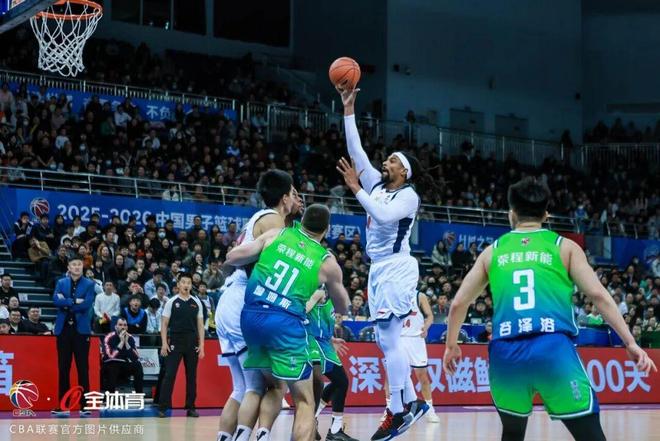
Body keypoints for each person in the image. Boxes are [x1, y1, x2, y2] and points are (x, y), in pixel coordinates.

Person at [442, 177, 657, 441]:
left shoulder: (492, 252)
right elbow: (598, 295)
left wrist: (451, 346)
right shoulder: (564, 247)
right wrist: (630, 342)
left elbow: (458, 304)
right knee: (590, 435)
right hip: (552, 350)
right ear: (546, 214)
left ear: (511, 213)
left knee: (512, 433)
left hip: (505, 354)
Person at [336, 86, 429, 440]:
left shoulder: (408, 196)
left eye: (391, 160)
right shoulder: (376, 184)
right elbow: (356, 150)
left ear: (403, 171)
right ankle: (411, 402)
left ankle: (397, 408)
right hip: (378, 268)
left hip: (397, 267)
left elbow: (383, 216)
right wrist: (348, 109)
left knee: (390, 340)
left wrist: (355, 188)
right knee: (385, 341)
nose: (384, 163)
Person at [226, 203, 350, 441]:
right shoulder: (326, 261)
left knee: (265, 387)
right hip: (284, 323)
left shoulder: (277, 233)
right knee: (305, 400)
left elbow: (233, 257)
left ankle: (250, 434)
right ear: (326, 229)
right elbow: (343, 306)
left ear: (301, 222)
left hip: (250, 318)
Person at [215, 169, 296, 441]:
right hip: (243, 302)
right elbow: (268, 270)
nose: (296, 198)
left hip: (229, 301)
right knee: (270, 386)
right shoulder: (274, 220)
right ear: (284, 197)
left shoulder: (259, 218)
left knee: (242, 388)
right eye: (293, 193)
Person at [307, 288, 358, 441]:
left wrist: (332, 339)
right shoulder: (317, 292)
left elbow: (320, 321)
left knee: (339, 382)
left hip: (326, 344)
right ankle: (333, 429)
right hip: (315, 343)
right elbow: (302, 311)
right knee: (340, 381)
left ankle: (314, 420)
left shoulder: (329, 298)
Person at [382, 292, 439, 423]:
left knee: (422, 376)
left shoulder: (419, 296)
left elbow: (430, 315)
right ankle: (389, 410)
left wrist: (426, 327)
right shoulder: (393, 294)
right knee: (390, 376)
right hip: (398, 338)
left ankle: (429, 409)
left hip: (416, 339)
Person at [51, 255, 96, 417]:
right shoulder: (61, 282)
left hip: (81, 330)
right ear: (68, 267)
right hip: (63, 330)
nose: (77, 267)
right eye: (74, 264)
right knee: (63, 368)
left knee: (83, 368)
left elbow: (87, 304)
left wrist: (66, 302)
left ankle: (85, 405)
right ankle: (64, 405)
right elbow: (56, 300)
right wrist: (74, 301)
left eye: (79, 264)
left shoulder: (89, 284)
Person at [158, 272, 205, 418]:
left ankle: (191, 407)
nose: (186, 285)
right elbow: (164, 324)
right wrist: (164, 343)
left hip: (192, 342)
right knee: (170, 374)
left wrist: (202, 346)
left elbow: (200, 326)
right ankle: (163, 407)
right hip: (175, 342)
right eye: (183, 282)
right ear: (178, 284)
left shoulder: (196, 302)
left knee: (191, 376)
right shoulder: (171, 302)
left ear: (191, 285)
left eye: (189, 283)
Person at [102, 317, 144, 393]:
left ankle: (139, 393)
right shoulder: (109, 337)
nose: (123, 327)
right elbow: (110, 356)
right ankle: (110, 395)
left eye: (125, 325)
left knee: (138, 365)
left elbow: (135, 357)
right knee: (113, 366)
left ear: (127, 327)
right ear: (116, 327)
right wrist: (121, 342)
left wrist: (126, 343)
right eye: (120, 325)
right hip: (110, 364)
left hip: (124, 364)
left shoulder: (130, 338)